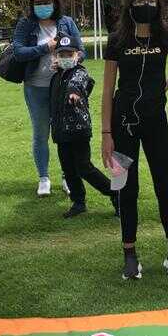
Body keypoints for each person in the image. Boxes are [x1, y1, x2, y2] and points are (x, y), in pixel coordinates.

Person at [102, 0, 168, 280]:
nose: (146, 4)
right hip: (123, 123)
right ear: (130, 5)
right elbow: (107, 91)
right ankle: (129, 255)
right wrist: (106, 133)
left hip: (155, 121)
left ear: (159, 4)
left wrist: (166, 83)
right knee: (126, 189)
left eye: (152, 0)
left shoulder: (165, 33)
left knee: (164, 185)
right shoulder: (117, 39)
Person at [11, 0, 84, 197]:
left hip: (62, 86)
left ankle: (67, 176)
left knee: (64, 132)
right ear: (32, 6)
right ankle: (43, 178)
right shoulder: (26, 24)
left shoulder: (66, 23)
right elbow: (18, 52)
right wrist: (46, 47)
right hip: (36, 87)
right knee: (41, 132)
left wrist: (70, 59)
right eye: (37, 3)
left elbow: (81, 51)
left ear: (54, 2)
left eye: (46, 2)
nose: (42, 6)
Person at [50, 34, 114, 220]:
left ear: (77, 55)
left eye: (69, 54)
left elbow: (77, 85)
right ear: (56, 56)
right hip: (61, 132)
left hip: (78, 130)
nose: (65, 58)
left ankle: (115, 193)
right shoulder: (57, 76)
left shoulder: (80, 72)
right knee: (68, 169)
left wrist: (74, 93)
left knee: (84, 167)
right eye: (61, 54)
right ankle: (78, 202)